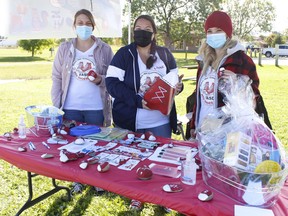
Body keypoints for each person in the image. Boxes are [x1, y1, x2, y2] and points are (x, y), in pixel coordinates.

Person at [105, 14, 183, 211]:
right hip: (131, 120)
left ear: (154, 33)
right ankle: (136, 196)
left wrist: (178, 88)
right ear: (133, 31)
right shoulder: (124, 54)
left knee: (162, 158)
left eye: (147, 28)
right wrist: (138, 101)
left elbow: (174, 83)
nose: (142, 31)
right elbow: (111, 84)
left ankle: (163, 196)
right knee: (134, 158)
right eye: (138, 28)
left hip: (160, 119)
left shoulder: (165, 55)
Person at [51, 8, 113, 194]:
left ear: (93, 26)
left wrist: (100, 79)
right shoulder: (64, 49)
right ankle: (77, 179)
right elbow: (56, 78)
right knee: (74, 146)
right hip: (70, 108)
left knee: (95, 144)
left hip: (96, 107)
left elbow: (112, 78)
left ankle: (96, 178)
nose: (83, 26)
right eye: (80, 23)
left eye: (87, 23)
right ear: (74, 26)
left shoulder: (104, 49)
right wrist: (56, 106)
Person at [189, 10, 272, 138]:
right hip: (203, 129)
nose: (213, 35)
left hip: (228, 133)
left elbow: (253, 101)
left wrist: (238, 82)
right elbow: (199, 98)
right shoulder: (203, 61)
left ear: (227, 33)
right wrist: (193, 125)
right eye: (209, 31)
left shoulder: (242, 60)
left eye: (218, 31)